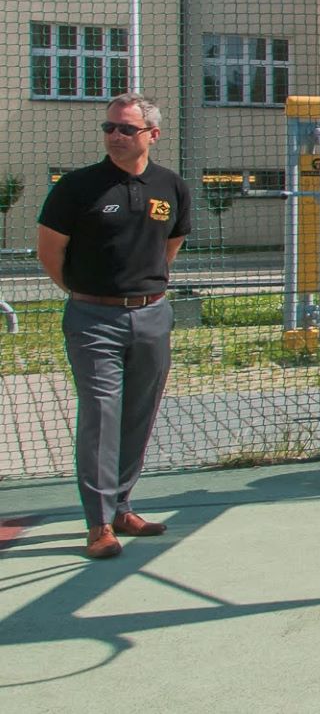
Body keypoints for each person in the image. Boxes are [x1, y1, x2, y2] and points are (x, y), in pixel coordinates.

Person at [36, 93, 192, 560]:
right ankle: (99, 523)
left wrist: (141, 294)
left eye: (126, 129)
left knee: (138, 414)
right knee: (102, 414)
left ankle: (123, 505)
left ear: (152, 135)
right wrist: (90, 295)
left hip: (151, 316)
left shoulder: (171, 186)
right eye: (109, 128)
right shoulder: (77, 187)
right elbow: (50, 252)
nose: (115, 137)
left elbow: (171, 245)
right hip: (92, 319)